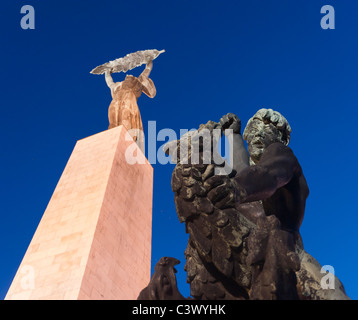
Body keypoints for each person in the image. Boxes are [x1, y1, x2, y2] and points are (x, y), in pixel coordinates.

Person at [216, 109, 309, 232]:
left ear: (283, 140)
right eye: (253, 130)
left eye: (268, 130)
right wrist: (233, 135)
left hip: (279, 245)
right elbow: (243, 171)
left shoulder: (284, 157)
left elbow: (267, 175)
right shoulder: (250, 176)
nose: (258, 134)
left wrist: (233, 188)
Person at [104, 60, 157, 151]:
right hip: (115, 105)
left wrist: (149, 59)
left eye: (131, 77)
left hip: (129, 105)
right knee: (113, 124)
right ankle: (112, 145)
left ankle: (126, 145)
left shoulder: (137, 82)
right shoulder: (118, 86)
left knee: (127, 123)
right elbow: (109, 82)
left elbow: (147, 70)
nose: (129, 76)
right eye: (127, 76)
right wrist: (107, 71)